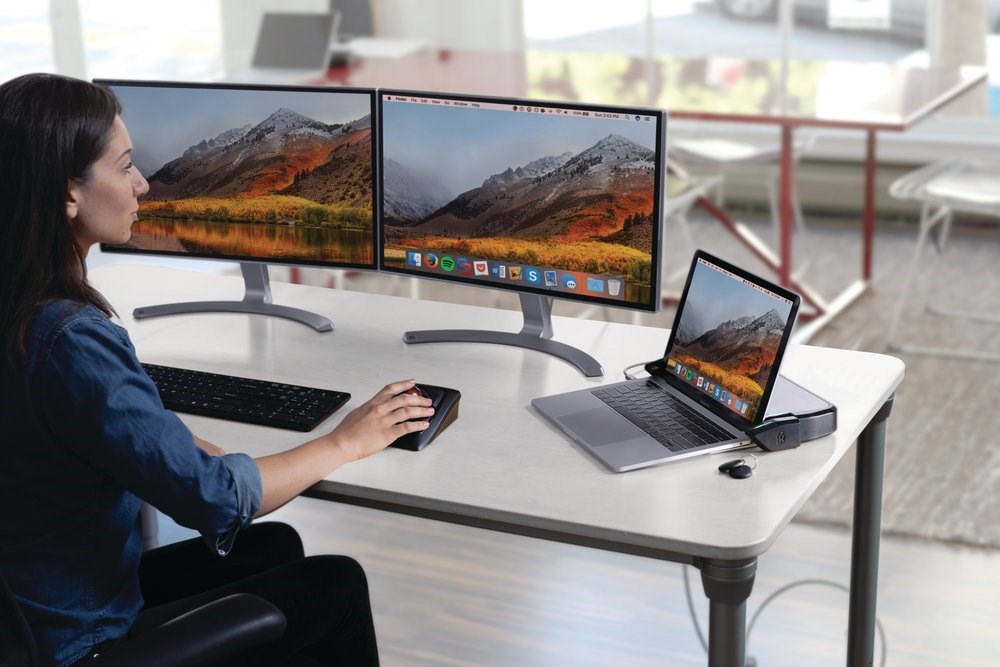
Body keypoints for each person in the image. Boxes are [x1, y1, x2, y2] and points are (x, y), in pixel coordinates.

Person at [0, 72, 434, 667]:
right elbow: (215, 500)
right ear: (66, 193)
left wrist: (167, 436)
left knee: (271, 548)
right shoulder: (68, 340)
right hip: (81, 642)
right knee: (334, 585)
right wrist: (345, 442)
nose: (143, 184)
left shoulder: (20, 308)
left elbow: (86, 433)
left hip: (29, 614)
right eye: (124, 166)